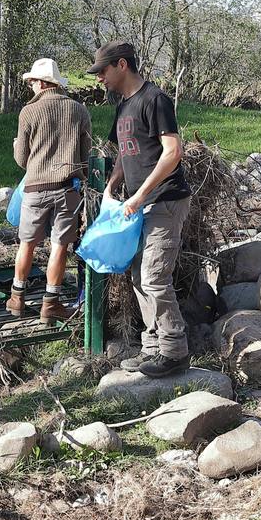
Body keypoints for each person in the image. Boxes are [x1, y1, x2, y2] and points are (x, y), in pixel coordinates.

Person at [88, 40, 192, 378]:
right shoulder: (123, 106)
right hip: (137, 203)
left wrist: (141, 194)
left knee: (154, 275)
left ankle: (175, 351)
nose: (99, 78)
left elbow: (172, 151)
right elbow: (125, 152)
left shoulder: (155, 99)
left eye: (102, 71)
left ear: (121, 65)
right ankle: (152, 349)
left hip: (165, 199)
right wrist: (112, 185)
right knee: (137, 275)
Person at [7, 58, 92, 321]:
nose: (31, 86)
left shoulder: (28, 112)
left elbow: (22, 160)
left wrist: (16, 148)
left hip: (34, 189)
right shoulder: (78, 110)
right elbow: (85, 156)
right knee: (59, 246)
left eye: (33, 82)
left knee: (27, 244)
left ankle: (16, 299)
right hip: (67, 189)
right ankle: (51, 304)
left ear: (42, 83)